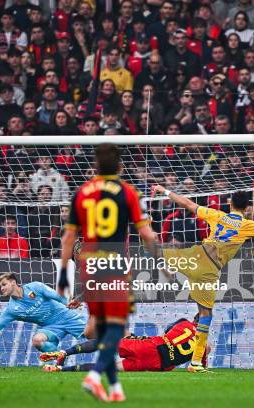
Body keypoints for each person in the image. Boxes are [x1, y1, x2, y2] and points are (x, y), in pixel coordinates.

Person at [152, 186, 254, 373]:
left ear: (229, 204)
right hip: (208, 271)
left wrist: (163, 190)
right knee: (205, 315)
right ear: (247, 208)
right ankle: (196, 362)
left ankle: (165, 267)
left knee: (156, 251)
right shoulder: (248, 225)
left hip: (193, 256)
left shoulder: (217, 215)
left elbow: (187, 203)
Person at [57, 143, 158, 402]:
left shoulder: (82, 192)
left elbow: (69, 236)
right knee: (114, 328)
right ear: (120, 167)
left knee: (100, 331)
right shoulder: (127, 192)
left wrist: (63, 275)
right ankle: (94, 377)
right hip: (113, 264)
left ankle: (114, 388)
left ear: (96, 167)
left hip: (89, 264)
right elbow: (146, 234)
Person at [41, 316, 208, 372]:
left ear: (194, 319)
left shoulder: (184, 322)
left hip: (151, 346)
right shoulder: (205, 345)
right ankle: (61, 369)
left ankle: (65, 352)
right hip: (157, 363)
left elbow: (168, 330)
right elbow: (194, 365)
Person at [0, 273, 87, 352]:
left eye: (4, 284)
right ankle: (61, 354)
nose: (1, 288)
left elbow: (57, 296)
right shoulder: (11, 310)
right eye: (0, 286)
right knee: (37, 340)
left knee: (95, 334)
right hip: (51, 327)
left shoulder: (35, 287)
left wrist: (68, 302)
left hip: (67, 316)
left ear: (13, 282)